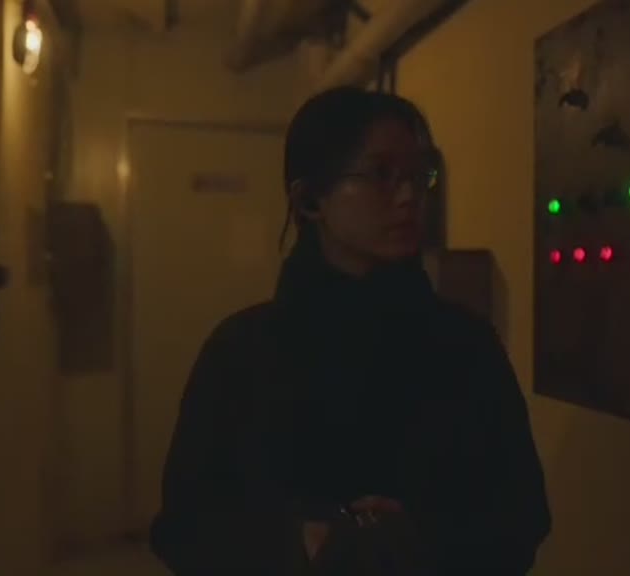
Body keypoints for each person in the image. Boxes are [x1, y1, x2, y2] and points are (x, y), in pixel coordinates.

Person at [149, 86, 552, 575]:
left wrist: (422, 539)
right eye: (381, 174)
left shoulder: (465, 346)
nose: (409, 197)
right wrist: (301, 542)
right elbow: (183, 528)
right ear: (309, 199)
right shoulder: (242, 352)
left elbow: (523, 517)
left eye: (418, 176)